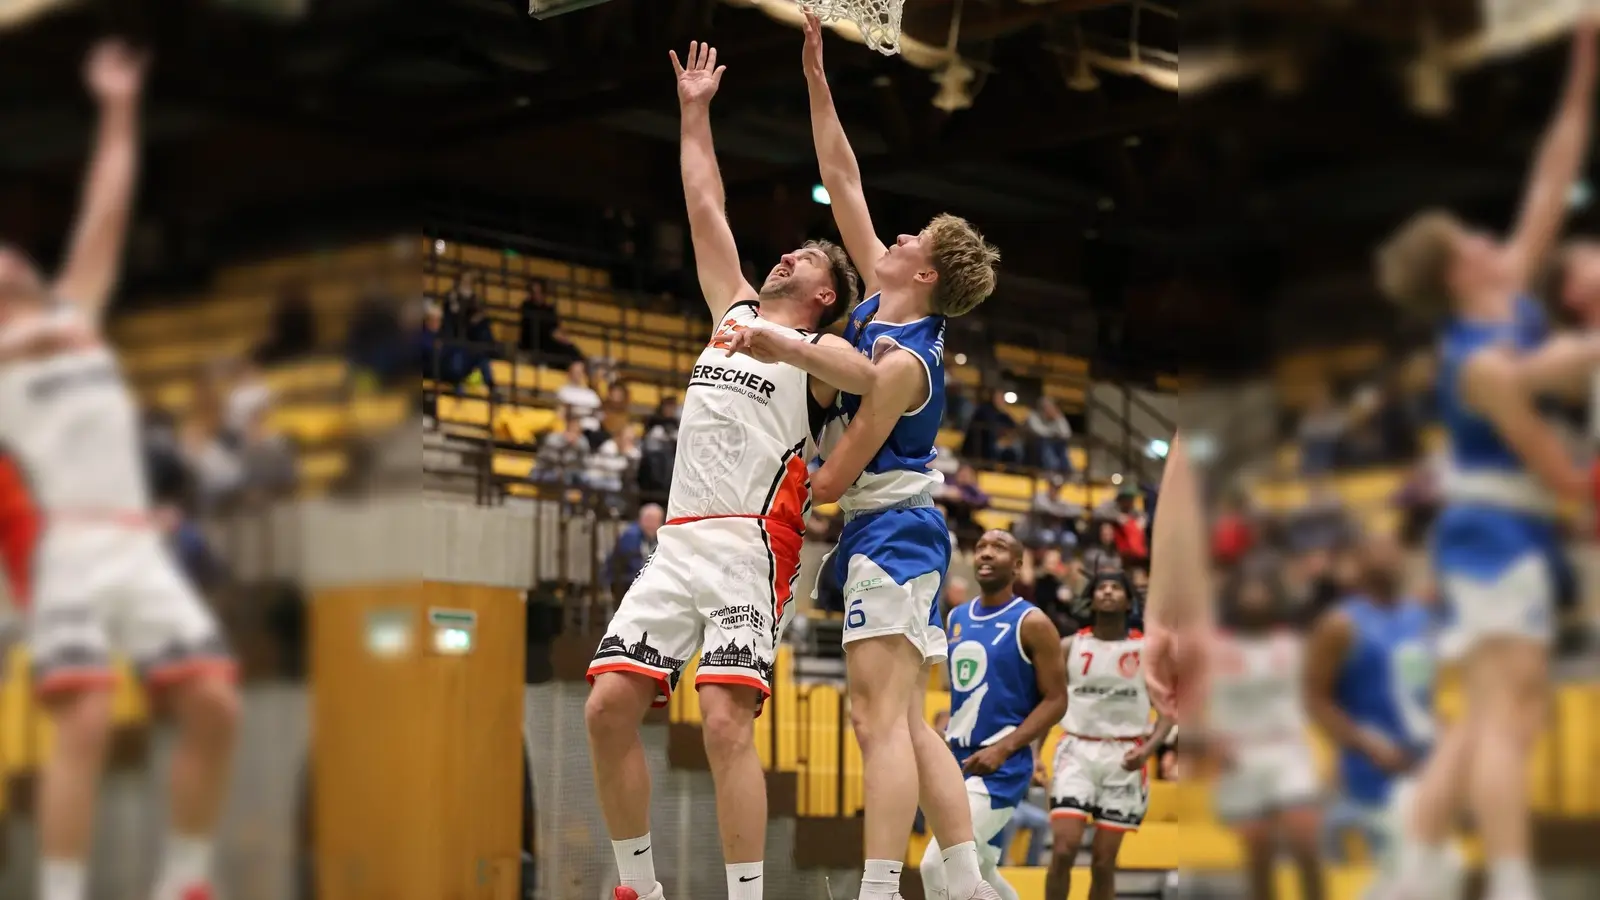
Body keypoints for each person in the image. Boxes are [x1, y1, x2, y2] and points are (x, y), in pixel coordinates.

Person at [719, 17, 1001, 900]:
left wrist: (781, 491)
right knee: (897, 722)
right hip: (891, 531)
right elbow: (841, 174)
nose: (896, 236)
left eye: (911, 239)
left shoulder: (904, 364)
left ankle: (883, 886)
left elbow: (836, 482)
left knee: (879, 722)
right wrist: (816, 78)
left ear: (923, 276)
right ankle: (967, 873)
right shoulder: (889, 293)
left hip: (895, 527)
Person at [582, 40, 861, 900]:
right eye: (788, 255)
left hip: (750, 544)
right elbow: (705, 201)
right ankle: (641, 887)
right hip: (679, 542)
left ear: (825, 294)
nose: (786, 259)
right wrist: (694, 109)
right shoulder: (732, 309)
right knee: (605, 710)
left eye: (805, 262)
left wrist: (779, 339)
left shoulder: (823, 353)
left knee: (724, 721)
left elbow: (867, 379)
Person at [0, 42, 240, 900]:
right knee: (88, 721)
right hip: (66, 549)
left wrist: (118, 109)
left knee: (215, 704)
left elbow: (105, 207)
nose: (13, 259)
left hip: (136, 544)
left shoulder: (74, 314)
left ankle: (183, 879)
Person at [1375, 22, 1600, 900]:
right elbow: (1530, 416)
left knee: (1508, 713)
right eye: (1468, 241)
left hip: (1521, 524)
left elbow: (1551, 176)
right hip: (1492, 522)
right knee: (1507, 719)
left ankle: (1415, 860)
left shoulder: (1506, 296)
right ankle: (1510, 880)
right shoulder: (1472, 352)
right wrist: (1580, 492)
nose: (1487, 239)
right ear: (1454, 270)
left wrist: (1582, 75)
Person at [1305, 535, 1455, 900]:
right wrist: (1363, 742)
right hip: (1372, 773)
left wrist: (1447, 736)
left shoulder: (1420, 619)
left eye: (1394, 551)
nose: (1387, 558)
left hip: (1425, 766)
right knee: (1419, 873)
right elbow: (1315, 699)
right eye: (1376, 550)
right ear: (1357, 564)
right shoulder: (1340, 625)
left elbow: (1419, 695)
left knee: (1442, 872)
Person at [926, 530, 1067, 900]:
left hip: (1000, 769)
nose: (986, 554)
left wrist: (1004, 749)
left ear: (1018, 566)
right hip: (957, 762)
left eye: (999, 548)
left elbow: (1056, 700)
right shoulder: (955, 617)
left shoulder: (1033, 622)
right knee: (982, 870)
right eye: (981, 547)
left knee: (936, 866)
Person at [1046, 570, 1173, 900]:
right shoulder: (1069, 646)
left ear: (1129, 600)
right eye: (1101, 587)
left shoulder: (1147, 650)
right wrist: (1033, 755)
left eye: (1116, 587)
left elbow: (1169, 713)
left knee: (1103, 863)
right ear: (1091, 597)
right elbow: (1050, 702)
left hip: (1125, 756)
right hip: (1076, 751)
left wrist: (1148, 750)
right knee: (1063, 850)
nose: (1107, 592)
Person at [1207, 566, 1324, 900]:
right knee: (1258, 857)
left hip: (1287, 750)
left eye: (1262, 588)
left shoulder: (1293, 644)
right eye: (1247, 589)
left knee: (1305, 843)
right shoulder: (1215, 649)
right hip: (1240, 755)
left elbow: (1314, 698)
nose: (1254, 596)